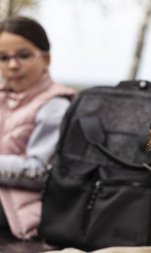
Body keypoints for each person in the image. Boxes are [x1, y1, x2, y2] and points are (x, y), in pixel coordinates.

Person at [0, 16, 76, 240]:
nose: (13, 65)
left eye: (24, 55)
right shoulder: (4, 99)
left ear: (46, 59)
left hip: (19, 213)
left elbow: (40, 169)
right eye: (3, 58)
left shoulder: (55, 105)